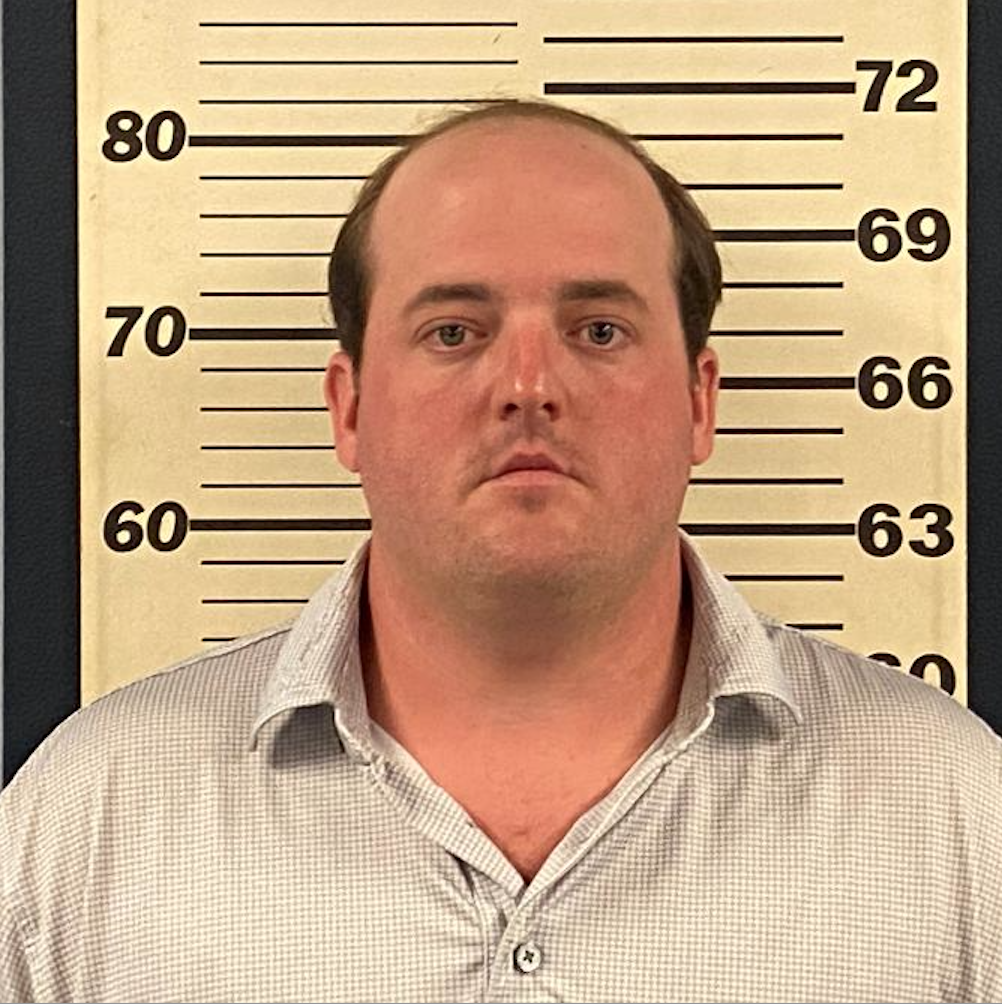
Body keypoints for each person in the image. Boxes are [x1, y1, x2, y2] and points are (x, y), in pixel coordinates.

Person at [2, 98, 1000, 1004]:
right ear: (349, 409)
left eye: (599, 329)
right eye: (454, 331)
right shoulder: (88, 822)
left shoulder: (959, 818)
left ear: (700, 403)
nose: (527, 385)